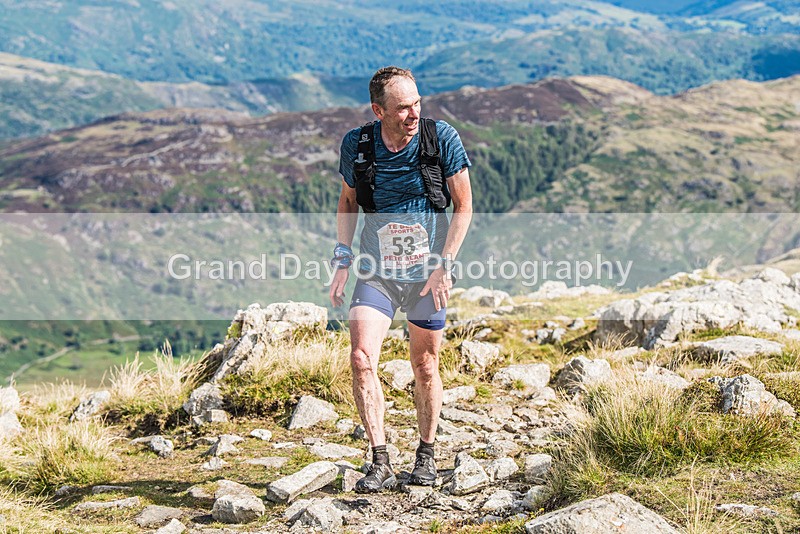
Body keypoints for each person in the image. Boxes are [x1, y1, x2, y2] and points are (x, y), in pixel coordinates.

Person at [328, 66, 473, 493]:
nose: (413, 113)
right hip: (377, 273)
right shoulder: (358, 145)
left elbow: (464, 205)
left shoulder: (439, 138)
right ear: (379, 110)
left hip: (428, 276)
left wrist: (445, 263)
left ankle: (426, 456)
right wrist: (342, 256)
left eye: (418, 103)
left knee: (425, 365)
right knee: (360, 359)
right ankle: (379, 460)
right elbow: (348, 201)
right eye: (403, 107)